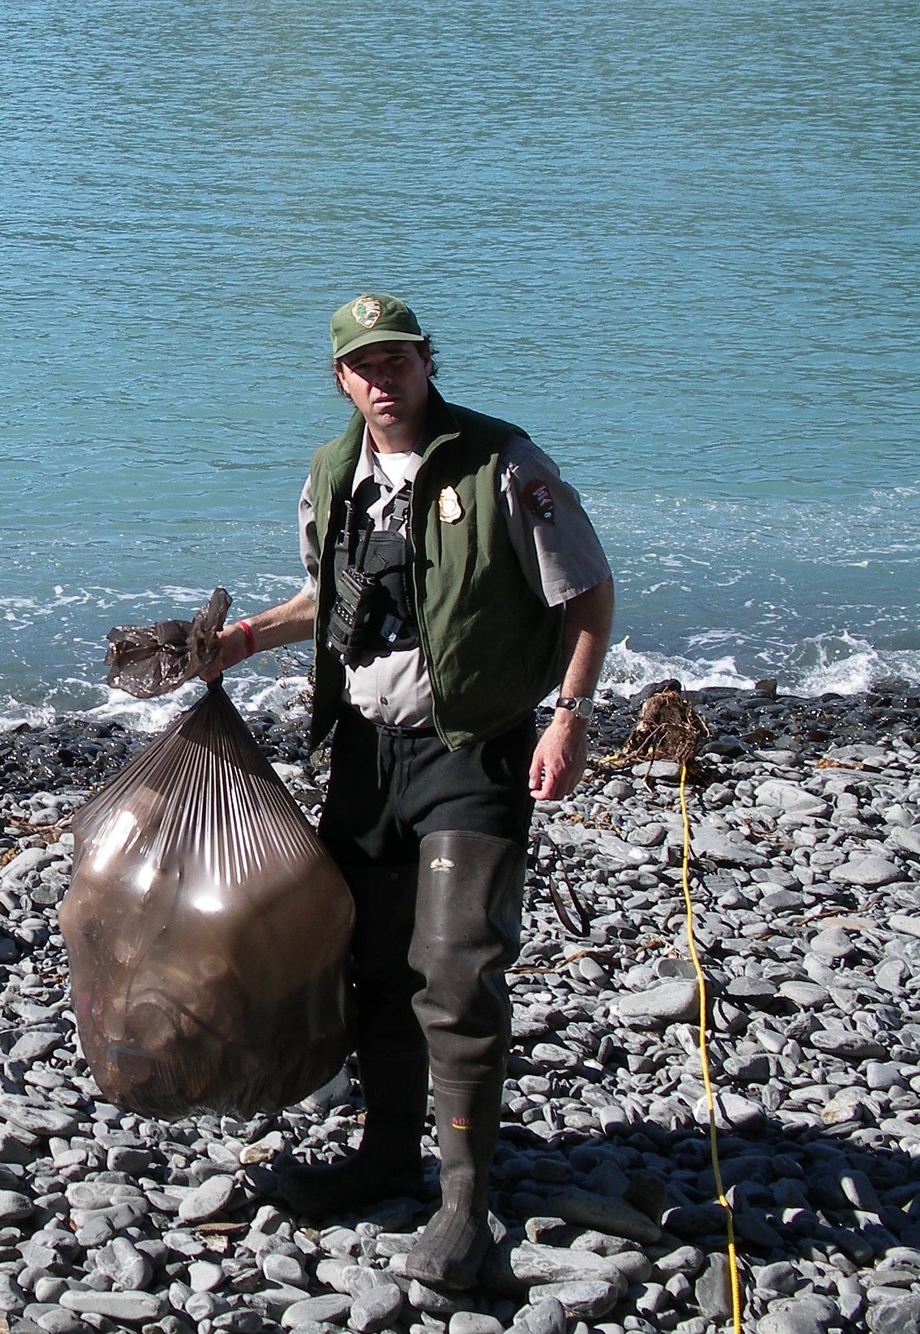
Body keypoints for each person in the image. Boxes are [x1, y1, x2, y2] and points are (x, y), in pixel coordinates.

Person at [210, 293, 614, 1291]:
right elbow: (328, 598)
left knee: (454, 968)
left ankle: (468, 1204)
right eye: (363, 365)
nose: (382, 378)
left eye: (398, 359)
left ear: (428, 362)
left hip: (470, 749)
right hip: (364, 751)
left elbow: (588, 593)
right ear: (340, 378)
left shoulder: (502, 463)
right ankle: (386, 1156)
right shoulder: (328, 472)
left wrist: (567, 714)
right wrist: (242, 638)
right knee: (374, 966)